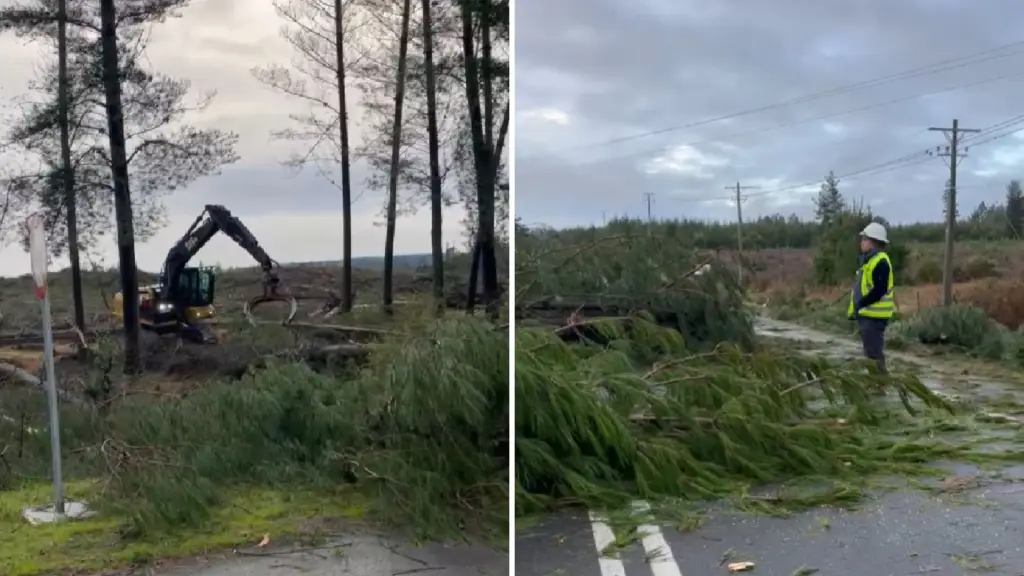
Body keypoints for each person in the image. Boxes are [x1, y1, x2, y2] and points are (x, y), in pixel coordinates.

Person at [848, 222, 895, 374]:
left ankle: (880, 385)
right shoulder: (870, 261)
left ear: (872, 241)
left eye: (864, 239)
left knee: (874, 356)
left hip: (874, 316)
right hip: (868, 315)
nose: (861, 242)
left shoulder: (880, 261)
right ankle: (877, 383)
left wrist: (861, 304)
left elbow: (879, 290)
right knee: (871, 354)